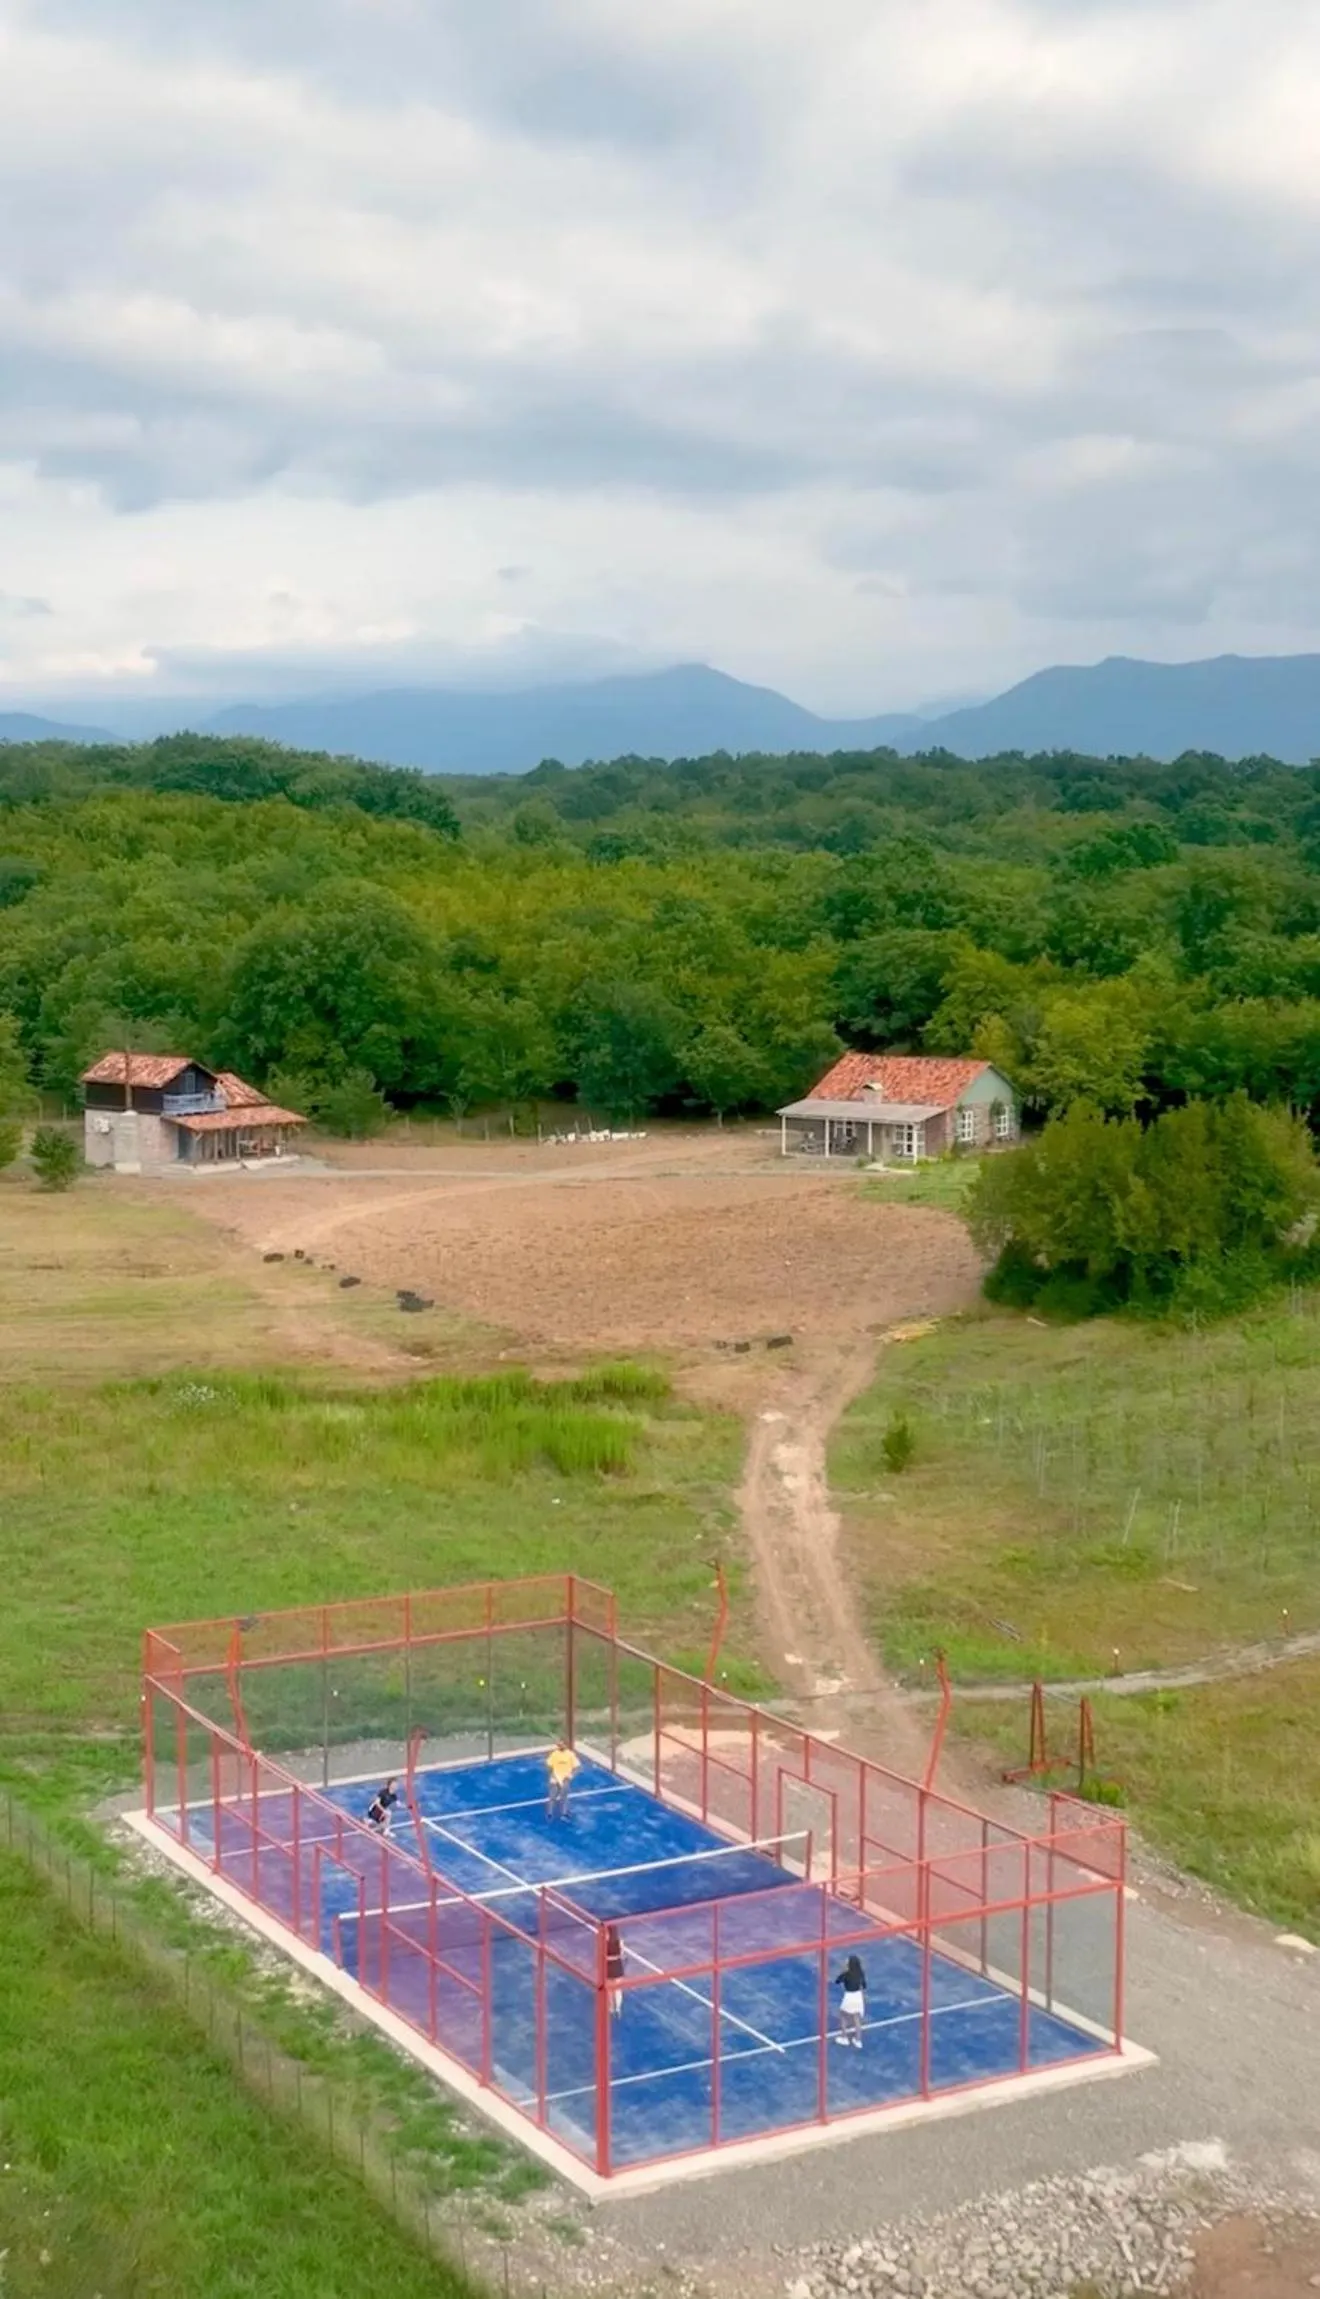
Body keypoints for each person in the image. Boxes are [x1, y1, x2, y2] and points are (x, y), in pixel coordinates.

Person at [833, 1952, 866, 2049]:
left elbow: (837, 1981)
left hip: (849, 1996)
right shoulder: (861, 1973)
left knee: (843, 2016)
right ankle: (858, 2040)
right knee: (856, 2018)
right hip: (858, 1997)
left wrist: (844, 1971)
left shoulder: (846, 1974)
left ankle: (844, 2038)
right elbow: (864, 1986)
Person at [545, 1738, 581, 1819]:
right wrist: (551, 1776)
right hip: (555, 1778)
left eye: (561, 1744)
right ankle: (549, 1813)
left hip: (565, 1779)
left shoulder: (570, 1755)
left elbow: (577, 1767)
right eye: (558, 1745)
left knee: (564, 1797)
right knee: (552, 1796)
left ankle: (564, 1813)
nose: (559, 1746)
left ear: (565, 1745)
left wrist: (570, 1776)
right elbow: (549, 1766)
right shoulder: (554, 1754)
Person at [605, 1922, 625, 2018]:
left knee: (610, 1989)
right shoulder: (620, 1941)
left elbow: (602, 1956)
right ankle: (618, 2008)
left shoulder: (604, 1942)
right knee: (617, 1989)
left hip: (608, 1967)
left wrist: (608, 1959)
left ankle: (611, 2008)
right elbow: (621, 1954)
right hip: (617, 1966)